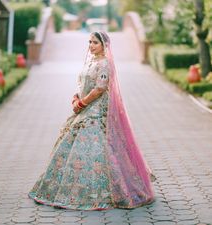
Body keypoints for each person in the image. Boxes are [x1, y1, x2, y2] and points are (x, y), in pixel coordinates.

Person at [28, 31, 155, 210]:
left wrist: (81, 103)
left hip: (95, 111)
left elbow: (99, 89)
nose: (91, 45)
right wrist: (75, 97)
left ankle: (107, 192)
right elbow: (82, 83)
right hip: (84, 106)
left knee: (97, 145)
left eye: (95, 42)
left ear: (104, 45)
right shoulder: (91, 61)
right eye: (89, 42)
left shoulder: (104, 64)